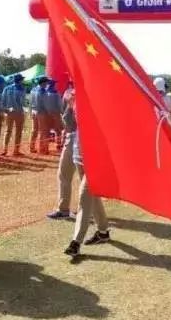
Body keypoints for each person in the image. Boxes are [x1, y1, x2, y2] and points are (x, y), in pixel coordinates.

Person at [64, 89, 111, 256]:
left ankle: (76, 242)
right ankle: (103, 231)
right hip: (79, 153)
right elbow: (68, 123)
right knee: (93, 195)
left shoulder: (100, 99)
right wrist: (70, 102)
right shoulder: (75, 97)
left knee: (84, 197)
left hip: (95, 157)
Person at [47, 87, 77, 220]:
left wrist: (70, 105)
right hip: (78, 138)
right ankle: (69, 209)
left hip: (76, 139)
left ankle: (66, 209)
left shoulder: (74, 97)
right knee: (69, 175)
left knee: (66, 175)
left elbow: (68, 121)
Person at [1, 73, 26, 156]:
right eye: (22, 79)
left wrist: (5, 110)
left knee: (8, 131)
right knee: (18, 131)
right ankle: (16, 150)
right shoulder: (22, 89)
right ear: (20, 80)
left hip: (9, 112)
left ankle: (5, 149)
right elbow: (22, 102)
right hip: (19, 112)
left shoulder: (7, 88)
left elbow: (3, 100)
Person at [45, 79, 64, 152]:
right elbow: (59, 104)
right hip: (56, 113)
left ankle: (46, 147)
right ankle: (58, 145)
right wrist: (62, 112)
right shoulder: (56, 93)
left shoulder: (45, 92)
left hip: (47, 113)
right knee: (58, 130)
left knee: (47, 130)